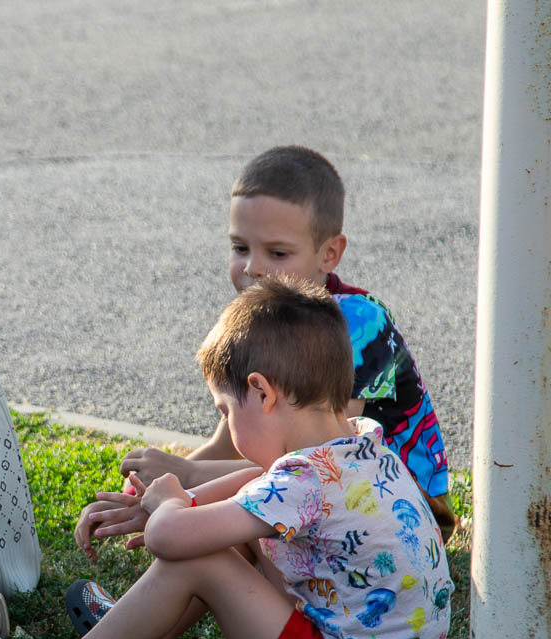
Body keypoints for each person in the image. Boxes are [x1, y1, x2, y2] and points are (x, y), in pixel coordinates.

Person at [0, 278, 454, 639]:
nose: (226, 421)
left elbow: (170, 539)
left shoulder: (304, 483)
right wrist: (169, 504)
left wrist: (169, 507)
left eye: (225, 410)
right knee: (234, 521)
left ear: (261, 393)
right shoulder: (358, 442)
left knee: (201, 559)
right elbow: (257, 483)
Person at [78, 146, 454, 570]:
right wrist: (142, 497)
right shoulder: (265, 319)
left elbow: (318, 460)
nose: (253, 268)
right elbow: (225, 445)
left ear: (329, 253)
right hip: (321, 496)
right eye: (240, 247)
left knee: (224, 533)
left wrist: (188, 476)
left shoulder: (358, 323)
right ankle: (150, 614)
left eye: (277, 253)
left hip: (401, 512)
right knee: (217, 532)